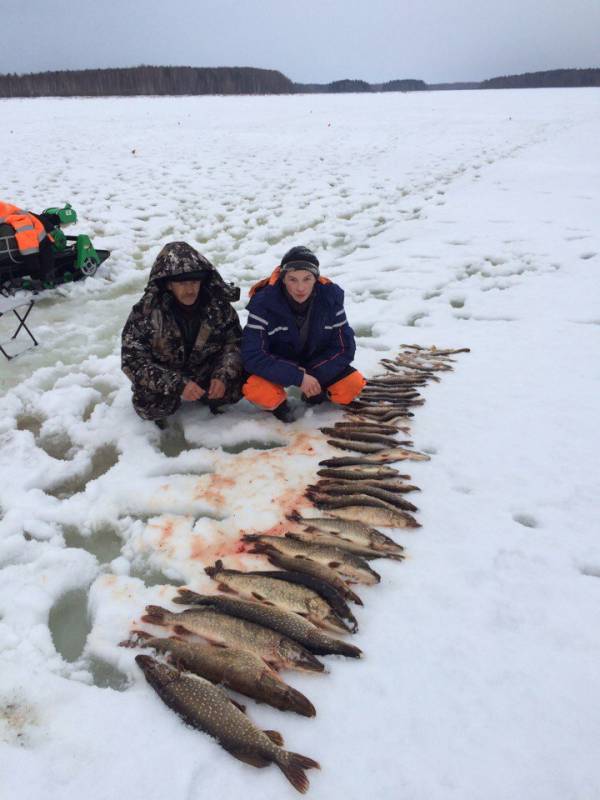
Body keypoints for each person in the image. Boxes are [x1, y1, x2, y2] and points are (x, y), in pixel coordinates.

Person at [121, 241, 243, 426]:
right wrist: (177, 384)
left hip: (205, 370)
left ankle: (213, 398)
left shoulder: (218, 307)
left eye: (194, 282)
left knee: (239, 384)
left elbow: (234, 342)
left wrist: (222, 375)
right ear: (169, 285)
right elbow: (132, 360)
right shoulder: (146, 314)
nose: (190, 290)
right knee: (149, 405)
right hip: (168, 373)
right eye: (182, 283)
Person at [241, 245, 366, 422]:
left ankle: (315, 394)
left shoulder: (330, 300)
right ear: (283, 279)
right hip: (279, 363)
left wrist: (314, 376)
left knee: (351, 386)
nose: (301, 288)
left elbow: (344, 348)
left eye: (307, 279)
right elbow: (252, 355)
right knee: (257, 389)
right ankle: (280, 405)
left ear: (316, 279)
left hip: (316, 363)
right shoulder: (263, 304)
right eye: (293, 279)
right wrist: (296, 376)